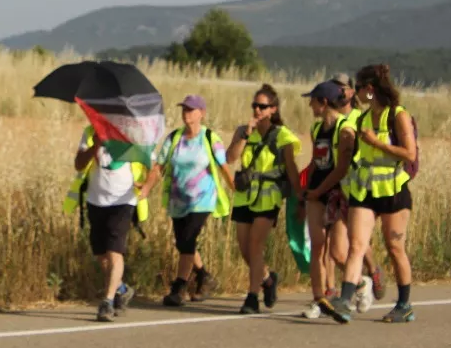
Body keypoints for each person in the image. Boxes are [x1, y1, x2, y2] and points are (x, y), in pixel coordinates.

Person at [325, 64, 417, 323]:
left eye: (359, 88)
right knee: (356, 246)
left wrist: (376, 142)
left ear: (369, 89)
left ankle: (404, 304)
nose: (355, 94)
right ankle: (344, 301)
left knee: (395, 247)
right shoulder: (362, 118)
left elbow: (410, 153)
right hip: (365, 191)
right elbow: (350, 138)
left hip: (393, 191)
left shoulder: (397, 115)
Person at [140, 95, 233, 307]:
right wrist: (146, 188)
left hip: (202, 200)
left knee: (188, 240)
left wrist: (236, 189)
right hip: (178, 201)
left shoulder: (210, 138)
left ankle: (178, 287)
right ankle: (204, 276)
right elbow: (159, 167)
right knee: (183, 243)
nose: (186, 113)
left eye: (191, 110)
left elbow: (224, 167)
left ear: (202, 113)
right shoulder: (174, 138)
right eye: (184, 109)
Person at [227, 84, 303, 315]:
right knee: (244, 250)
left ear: (273, 109)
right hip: (245, 196)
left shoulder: (282, 136)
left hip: (268, 197)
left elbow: (291, 169)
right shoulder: (243, 131)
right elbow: (230, 158)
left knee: (255, 246)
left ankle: (252, 297)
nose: (257, 110)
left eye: (263, 106)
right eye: (255, 105)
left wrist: (299, 199)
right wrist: (244, 136)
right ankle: (268, 279)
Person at [67, 121, 149, 322]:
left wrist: (147, 186)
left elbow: (153, 164)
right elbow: (79, 164)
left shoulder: (131, 133)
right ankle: (122, 289)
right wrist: (96, 145)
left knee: (115, 251)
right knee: (101, 254)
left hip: (123, 200)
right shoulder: (89, 132)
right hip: (96, 200)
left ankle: (107, 301)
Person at [299, 80, 357, 319]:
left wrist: (318, 189)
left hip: (338, 193)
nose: (309, 105)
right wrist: (304, 187)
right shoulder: (316, 130)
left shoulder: (345, 130)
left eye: (312, 100)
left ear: (324, 102)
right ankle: (319, 298)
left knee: (338, 252)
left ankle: (359, 283)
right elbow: (316, 162)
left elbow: (341, 169)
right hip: (317, 192)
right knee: (317, 246)